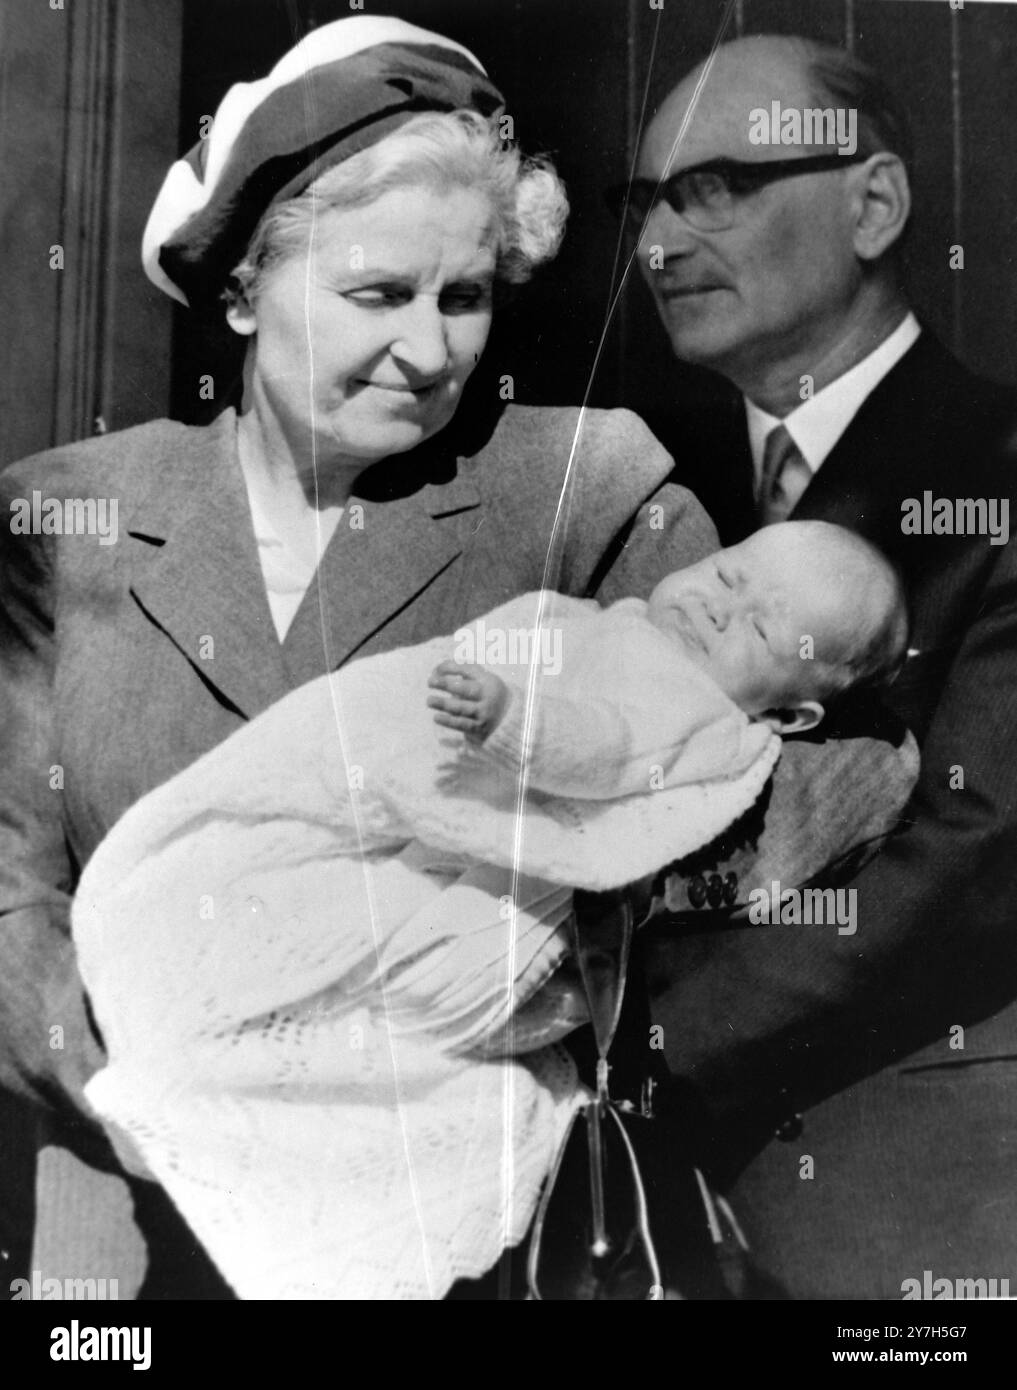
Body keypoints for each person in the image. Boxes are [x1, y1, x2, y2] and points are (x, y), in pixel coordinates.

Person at [0, 14, 726, 1300]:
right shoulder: (65, 520)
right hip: (132, 1220)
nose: (434, 349)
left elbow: (713, 834)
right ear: (239, 288)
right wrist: (148, 1093)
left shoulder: (589, 493)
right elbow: (5, 888)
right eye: (378, 295)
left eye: (467, 297)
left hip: (470, 1226)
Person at [70, 521, 908, 1299]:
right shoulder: (599, 624)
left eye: (760, 631)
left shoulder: (686, 702)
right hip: (431, 830)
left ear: (790, 715)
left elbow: (602, 745)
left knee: (378, 973)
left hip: (497, 875)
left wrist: (512, 721)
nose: (718, 606)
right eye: (728, 574)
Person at [613, 33, 1017, 1297]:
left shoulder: (999, 468)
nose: (659, 245)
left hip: (897, 1173)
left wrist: (640, 1040)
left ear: (876, 203)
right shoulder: (631, 477)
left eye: (715, 188)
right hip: (605, 1210)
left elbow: (979, 848)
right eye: (647, 203)